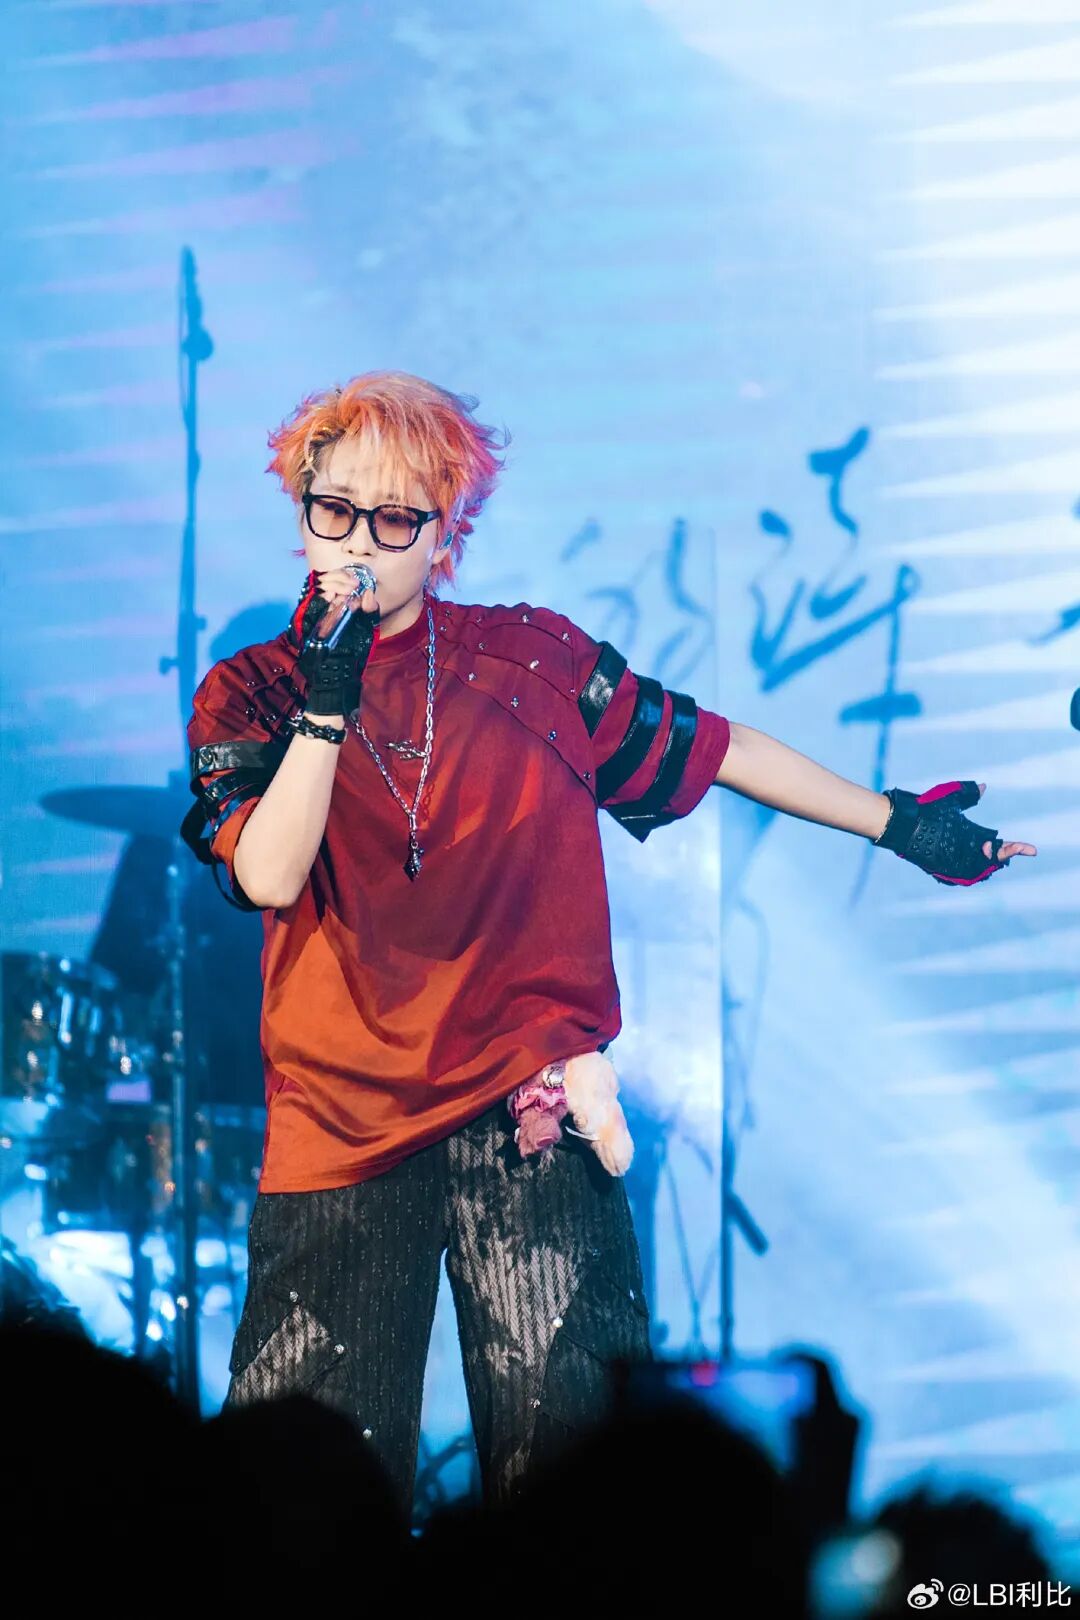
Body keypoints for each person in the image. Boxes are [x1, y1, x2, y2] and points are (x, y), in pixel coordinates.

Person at [182, 371, 1037, 1519]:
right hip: (341, 1124)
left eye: (394, 521)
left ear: (444, 531)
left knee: (576, 1490)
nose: (360, 546)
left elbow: (719, 748)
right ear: (301, 510)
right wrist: (326, 705)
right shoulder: (252, 692)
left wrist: (896, 822)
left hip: (533, 1108)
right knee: (302, 1500)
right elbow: (269, 874)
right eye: (334, 511)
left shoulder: (531, 662)